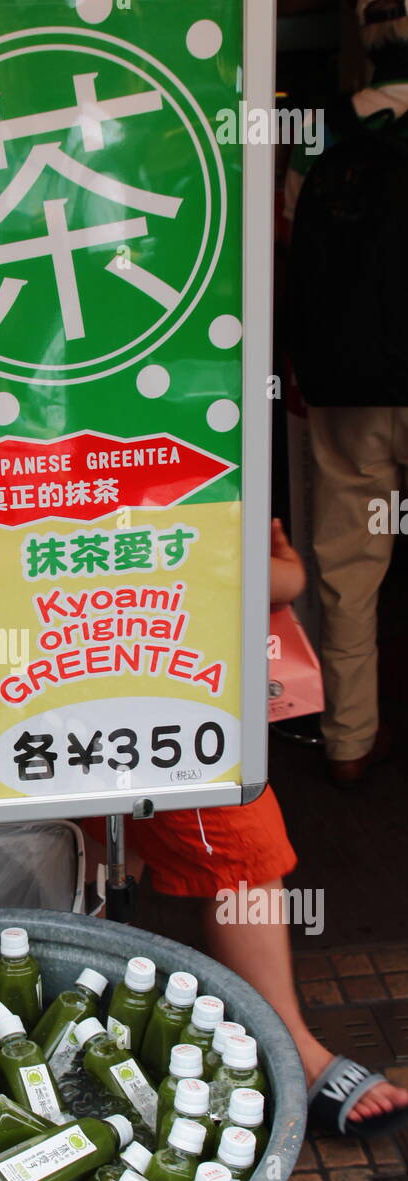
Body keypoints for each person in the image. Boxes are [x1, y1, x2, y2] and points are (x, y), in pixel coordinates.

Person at [82, 520, 408, 1137]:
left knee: (99, 853)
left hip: (58, 700)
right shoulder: (193, 463)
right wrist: (286, 565)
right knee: (231, 858)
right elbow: (271, 578)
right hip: (168, 698)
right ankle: (293, 1053)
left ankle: (78, 1030)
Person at [285, 0, 408, 785]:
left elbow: (285, 236)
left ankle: (350, 741)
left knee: (347, 568)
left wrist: (299, 361)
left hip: (349, 383)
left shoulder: (324, 125)